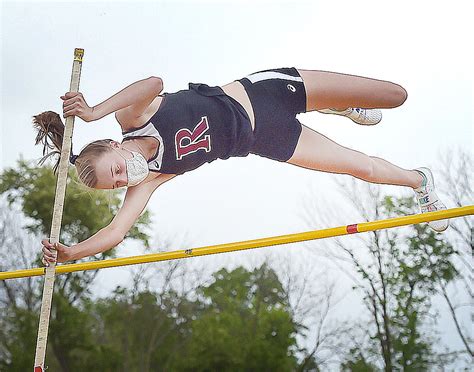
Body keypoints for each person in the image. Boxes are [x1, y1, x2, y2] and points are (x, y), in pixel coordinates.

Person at [36, 67, 449, 266]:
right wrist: (72, 252)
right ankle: (420, 182)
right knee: (362, 169)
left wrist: (92, 112)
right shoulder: (154, 177)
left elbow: (154, 84)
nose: (127, 177)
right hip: (266, 140)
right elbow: (115, 230)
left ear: (112, 144)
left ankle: (335, 105)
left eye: (116, 169)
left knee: (396, 96)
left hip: (264, 94)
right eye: (118, 184)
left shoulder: (131, 118)